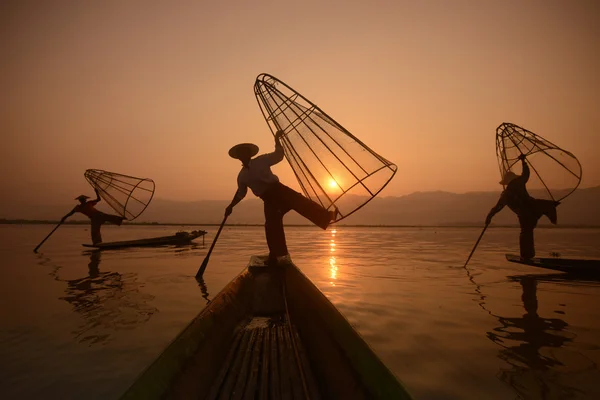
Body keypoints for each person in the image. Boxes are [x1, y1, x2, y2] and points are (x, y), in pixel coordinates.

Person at [226, 130, 339, 265]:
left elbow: (278, 156)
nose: (243, 155)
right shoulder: (242, 176)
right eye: (241, 154)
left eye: (245, 152)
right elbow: (241, 193)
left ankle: (327, 216)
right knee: (271, 227)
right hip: (268, 199)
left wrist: (276, 139)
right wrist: (230, 206)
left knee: (301, 202)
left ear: (249, 154)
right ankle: (276, 256)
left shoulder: (261, 160)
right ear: (239, 157)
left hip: (280, 190)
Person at [486, 154, 560, 259]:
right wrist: (523, 161)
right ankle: (527, 255)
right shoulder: (512, 189)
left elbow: (497, 208)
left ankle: (527, 255)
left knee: (526, 232)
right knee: (527, 232)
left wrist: (489, 216)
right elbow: (526, 174)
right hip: (529, 212)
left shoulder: (511, 190)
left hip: (529, 211)